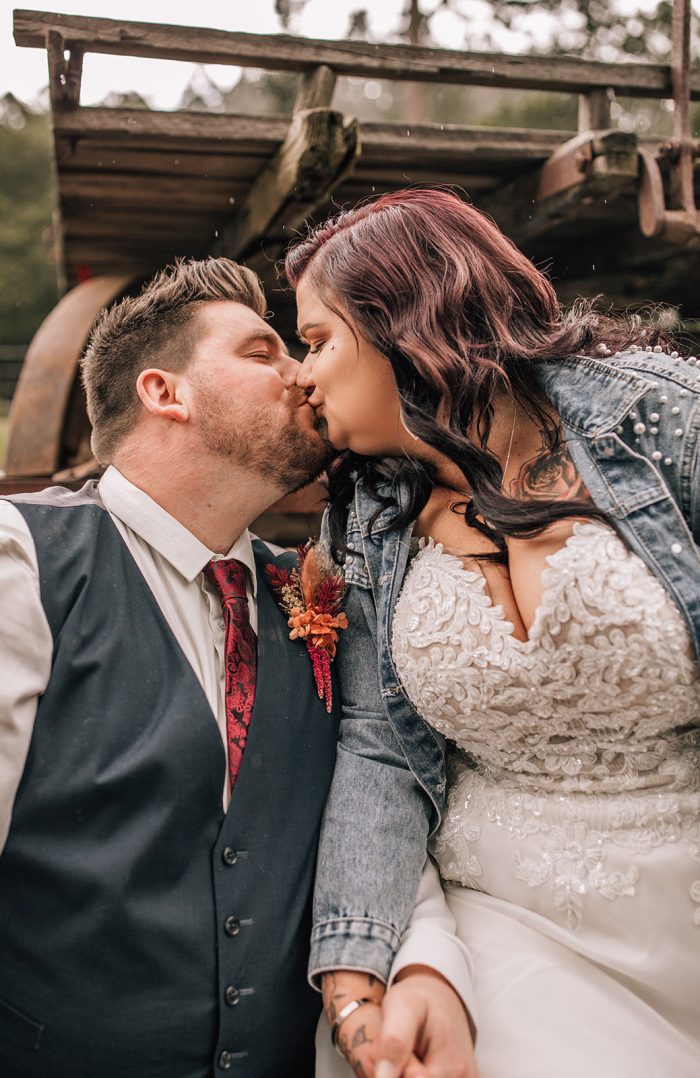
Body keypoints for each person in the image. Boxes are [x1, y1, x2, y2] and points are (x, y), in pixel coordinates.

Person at [0, 256, 474, 1078]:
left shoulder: (323, 590)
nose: (307, 375)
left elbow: (380, 804)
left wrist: (423, 969)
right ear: (165, 393)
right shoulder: (22, 562)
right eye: (264, 353)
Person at [286, 188, 700, 1077]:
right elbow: (380, 752)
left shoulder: (663, 416)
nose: (301, 374)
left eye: (318, 339)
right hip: (500, 916)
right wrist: (353, 973)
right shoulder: (366, 518)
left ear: (399, 316)